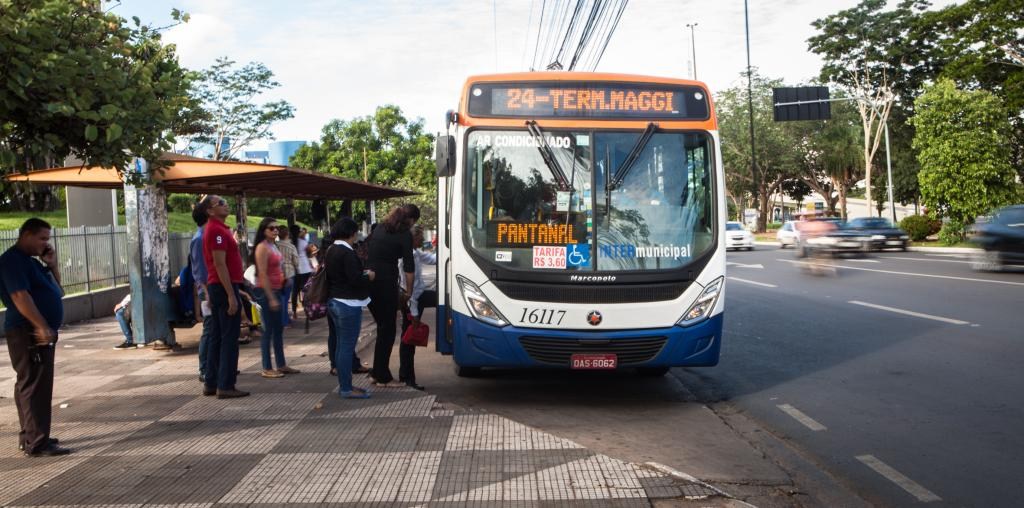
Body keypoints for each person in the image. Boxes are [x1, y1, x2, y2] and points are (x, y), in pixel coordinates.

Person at [0, 218, 71, 456]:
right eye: (42, 238)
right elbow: (20, 296)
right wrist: (40, 326)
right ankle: (36, 441)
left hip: (33, 330)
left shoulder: (32, 263)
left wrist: (52, 264)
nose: (45, 244)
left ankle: (32, 435)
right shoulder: (12, 261)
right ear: (26, 235)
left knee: (32, 383)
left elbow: (58, 290)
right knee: (34, 385)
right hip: (26, 331)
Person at [200, 195, 249, 399]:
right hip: (223, 286)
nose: (225, 204)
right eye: (220, 203)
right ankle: (226, 384)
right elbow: (220, 264)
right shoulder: (216, 231)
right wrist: (231, 295)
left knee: (217, 336)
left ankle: (212, 381)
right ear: (210, 211)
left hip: (218, 287)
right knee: (229, 338)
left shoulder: (219, 229)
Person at [367, 204, 418, 387]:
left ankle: (376, 372)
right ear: (411, 220)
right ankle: (383, 377)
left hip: (370, 282)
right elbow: (409, 267)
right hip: (385, 282)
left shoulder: (380, 227)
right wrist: (409, 291)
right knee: (388, 330)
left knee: (383, 328)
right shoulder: (404, 234)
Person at [326, 217, 375, 399]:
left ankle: (345, 385)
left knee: (341, 347)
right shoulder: (347, 252)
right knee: (346, 347)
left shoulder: (331, 250)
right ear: (351, 233)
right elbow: (354, 279)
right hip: (348, 304)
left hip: (334, 302)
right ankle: (346, 388)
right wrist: (368, 276)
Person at [251, 217, 299, 379]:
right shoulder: (262, 248)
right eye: (271, 228)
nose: (275, 230)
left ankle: (281, 363)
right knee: (267, 330)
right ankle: (266, 366)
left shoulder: (274, 246)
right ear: (264, 230)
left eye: (277, 228)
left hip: (278, 288)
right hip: (265, 291)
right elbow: (262, 273)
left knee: (278, 329)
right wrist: (270, 297)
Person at [398, 224, 437, 390]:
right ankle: (408, 379)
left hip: (417, 297)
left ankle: (405, 375)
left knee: (441, 298)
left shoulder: (415, 252)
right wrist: (413, 313)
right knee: (409, 340)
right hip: (411, 301)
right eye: (420, 237)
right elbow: (410, 289)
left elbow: (432, 259)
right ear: (413, 238)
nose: (423, 239)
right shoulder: (409, 256)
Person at [189, 203, 213, 381]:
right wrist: (206, 292)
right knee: (209, 328)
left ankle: (213, 365)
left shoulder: (208, 236)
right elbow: (199, 271)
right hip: (207, 291)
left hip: (211, 288)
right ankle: (204, 368)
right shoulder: (199, 239)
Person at [276, 226, 299, 327]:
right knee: (285, 299)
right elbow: (296, 262)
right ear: (287, 235)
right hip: (289, 274)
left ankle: (285, 319)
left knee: (280, 298)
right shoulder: (291, 247)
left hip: (277, 274)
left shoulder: (275, 245)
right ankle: (284, 321)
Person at [292, 225, 313, 320]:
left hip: (295, 269)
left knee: (295, 291)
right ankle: (308, 310)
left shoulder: (291, 242)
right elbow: (310, 252)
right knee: (306, 290)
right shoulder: (303, 242)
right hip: (305, 268)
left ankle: (294, 312)